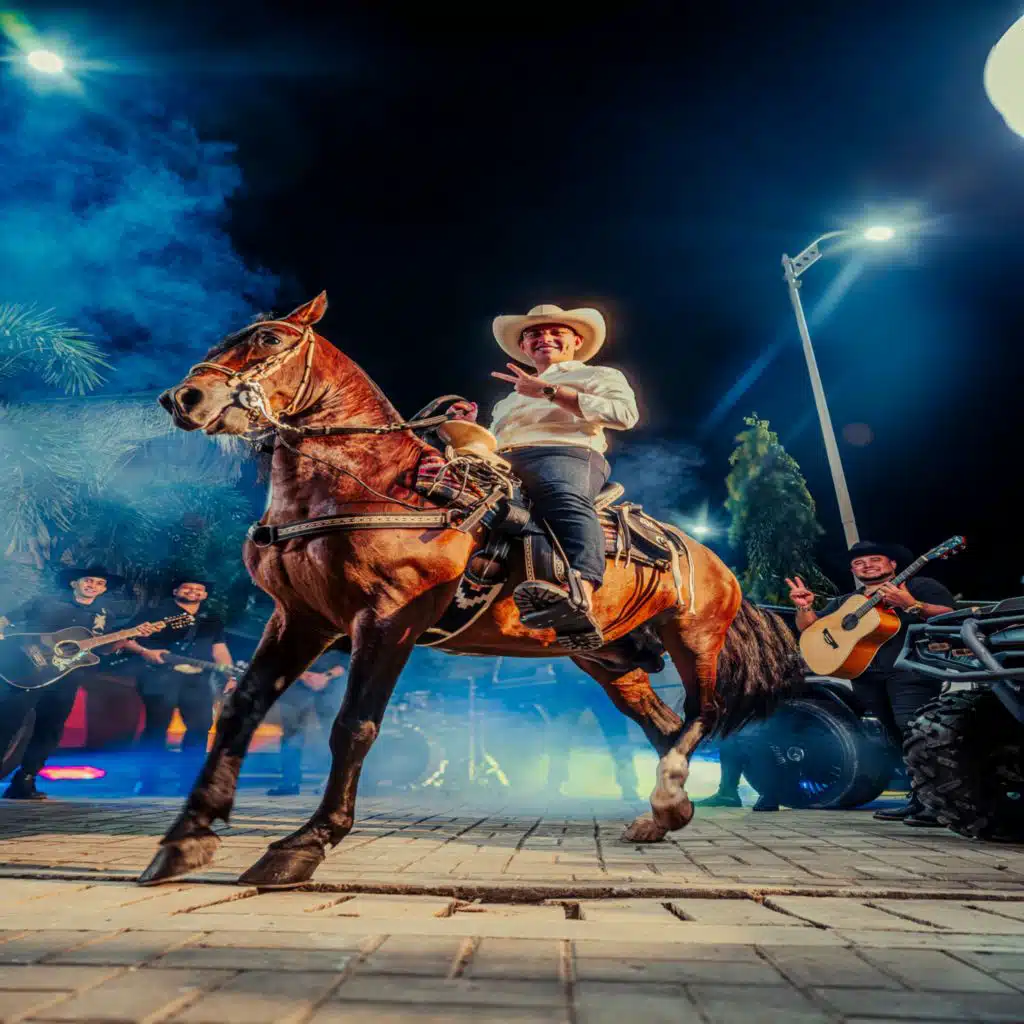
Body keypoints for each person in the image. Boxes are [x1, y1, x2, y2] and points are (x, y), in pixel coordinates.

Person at [437, 304, 639, 650]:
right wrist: (469, 427)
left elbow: (625, 415)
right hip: (503, 462)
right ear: (524, 347)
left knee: (562, 496)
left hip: (566, 453)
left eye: (556, 332)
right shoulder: (508, 400)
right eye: (534, 334)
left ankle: (581, 592)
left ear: (576, 341)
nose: (545, 337)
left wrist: (550, 391)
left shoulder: (600, 375)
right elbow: (497, 440)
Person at [786, 540, 955, 827]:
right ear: (853, 571)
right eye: (859, 563)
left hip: (911, 670)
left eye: (875, 559)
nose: (867, 565)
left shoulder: (919, 585)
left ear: (893, 564)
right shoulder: (848, 601)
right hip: (865, 675)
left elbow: (951, 616)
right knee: (894, 734)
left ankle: (940, 804)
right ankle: (919, 799)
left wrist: (912, 605)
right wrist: (805, 607)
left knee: (917, 731)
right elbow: (812, 629)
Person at [0, 565, 139, 800]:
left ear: (103, 589)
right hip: (26, 672)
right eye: (88, 580)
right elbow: (5, 619)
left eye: (99, 583)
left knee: (50, 729)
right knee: (6, 724)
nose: (93, 586)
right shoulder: (45, 602)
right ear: (75, 583)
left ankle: (25, 780)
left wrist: (122, 640)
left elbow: (100, 650)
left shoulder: (104, 615)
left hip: (66, 678)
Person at [123, 577, 237, 795]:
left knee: (200, 728)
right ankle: (147, 781)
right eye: (187, 588)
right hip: (161, 676)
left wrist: (229, 674)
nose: (193, 591)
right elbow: (125, 638)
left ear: (204, 595)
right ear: (176, 591)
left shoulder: (211, 619)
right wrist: (145, 652)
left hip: (197, 679)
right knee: (157, 728)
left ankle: (190, 782)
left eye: (199, 589)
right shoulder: (155, 613)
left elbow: (219, 649)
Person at [267, 647, 348, 796]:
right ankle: (290, 782)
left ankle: (340, 782)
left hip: (330, 687)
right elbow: (280, 656)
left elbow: (347, 660)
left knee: (335, 733)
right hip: (296, 686)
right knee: (291, 736)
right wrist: (304, 675)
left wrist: (326, 676)